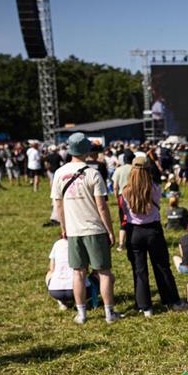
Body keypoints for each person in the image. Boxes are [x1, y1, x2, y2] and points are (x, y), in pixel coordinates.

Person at [52, 132, 120, 325]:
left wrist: (63, 228)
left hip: (73, 230)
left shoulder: (59, 173)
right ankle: (109, 313)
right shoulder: (92, 173)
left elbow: (58, 205)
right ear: (86, 150)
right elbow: (102, 206)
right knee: (104, 271)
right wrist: (110, 230)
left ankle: (81, 313)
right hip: (95, 228)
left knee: (78, 272)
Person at [121, 155, 183, 317]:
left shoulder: (125, 191)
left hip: (134, 231)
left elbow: (124, 212)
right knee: (162, 266)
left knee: (139, 270)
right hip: (153, 230)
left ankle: (145, 306)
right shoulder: (155, 188)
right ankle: (172, 300)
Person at [46, 235, 98, 310]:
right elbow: (87, 269)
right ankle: (85, 301)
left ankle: (62, 302)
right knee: (100, 275)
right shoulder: (82, 242)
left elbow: (52, 268)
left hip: (55, 291)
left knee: (49, 273)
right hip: (79, 288)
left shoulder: (57, 244)